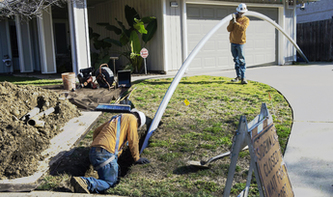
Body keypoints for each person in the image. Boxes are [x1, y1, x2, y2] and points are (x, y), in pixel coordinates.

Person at [70, 109, 150, 194]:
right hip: (106, 154)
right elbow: (133, 140)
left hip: (94, 152)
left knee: (105, 180)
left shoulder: (116, 118)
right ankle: (86, 182)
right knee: (111, 183)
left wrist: (97, 146)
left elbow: (97, 131)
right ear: (138, 121)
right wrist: (137, 158)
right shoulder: (132, 119)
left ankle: (85, 184)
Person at [227, 3, 250, 84]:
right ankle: (238, 76)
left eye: (242, 12)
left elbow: (243, 28)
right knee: (236, 60)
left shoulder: (245, 20)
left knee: (241, 60)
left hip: (240, 43)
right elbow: (229, 29)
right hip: (233, 42)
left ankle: (243, 78)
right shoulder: (233, 20)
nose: (241, 14)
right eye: (240, 12)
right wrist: (232, 21)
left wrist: (235, 22)